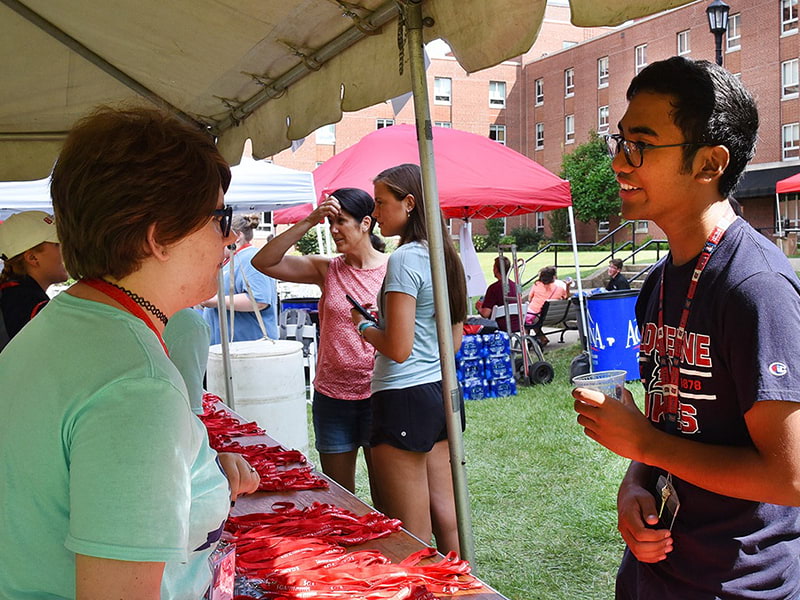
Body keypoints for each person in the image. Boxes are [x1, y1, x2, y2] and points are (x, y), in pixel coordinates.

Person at [0, 107, 260, 599]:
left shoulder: (67, 323)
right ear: (157, 236)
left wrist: (193, 472)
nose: (228, 238)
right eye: (218, 218)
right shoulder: (136, 383)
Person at [573, 57, 800, 599]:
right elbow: (667, 422)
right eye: (619, 142)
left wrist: (648, 445)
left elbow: (790, 478)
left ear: (708, 164)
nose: (620, 164)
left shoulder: (756, 287)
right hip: (655, 573)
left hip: (740, 583)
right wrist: (635, 484)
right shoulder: (657, 285)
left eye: (642, 145)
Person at [350, 163, 467, 555]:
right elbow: (452, 341)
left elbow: (398, 349)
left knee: (411, 534)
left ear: (410, 203)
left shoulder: (403, 261)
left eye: (381, 203)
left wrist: (363, 326)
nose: (376, 213)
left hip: (401, 397)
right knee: (448, 517)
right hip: (438, 393)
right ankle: (463, 589)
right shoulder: (445, 256)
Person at [251, 188, 388, 494]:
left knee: (386, 496)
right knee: (340, 495)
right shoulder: (327, 269)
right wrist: (310, 221)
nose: (334, 229)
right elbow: (264, 262)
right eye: (330, 223)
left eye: (341, 221)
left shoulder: (392, 270)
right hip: (332, 398)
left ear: (366, 223)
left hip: (378, 395)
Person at [201, 213, 278, 343]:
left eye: (219, 236)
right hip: (232, 349)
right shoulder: (232, 260)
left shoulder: (250, 259)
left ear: (237, 237)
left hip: (248, 349)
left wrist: (213, 301)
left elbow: (259, 300)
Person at [0, 210, 69, 345]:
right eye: (57, 244)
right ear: (32, 258)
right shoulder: (28, 304)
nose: (65, 250)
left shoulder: (12, 295)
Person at [524, 265, 568, 346]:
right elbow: (566, 298)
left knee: (526, 319)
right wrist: (568, 286)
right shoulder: (560, 289)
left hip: (536, 316)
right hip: (552, 316)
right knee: (533, 318)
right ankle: (542, 338)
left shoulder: (537, 284)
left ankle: (527, 341)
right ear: (553, 277)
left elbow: (530, 299)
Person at [475, 255, 520, 333]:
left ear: (496, 269)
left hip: (500, 326)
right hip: (517, 325)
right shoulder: (515, 286)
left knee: (471, 322)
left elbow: (485, 314)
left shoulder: (493, 288)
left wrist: (479, 308)